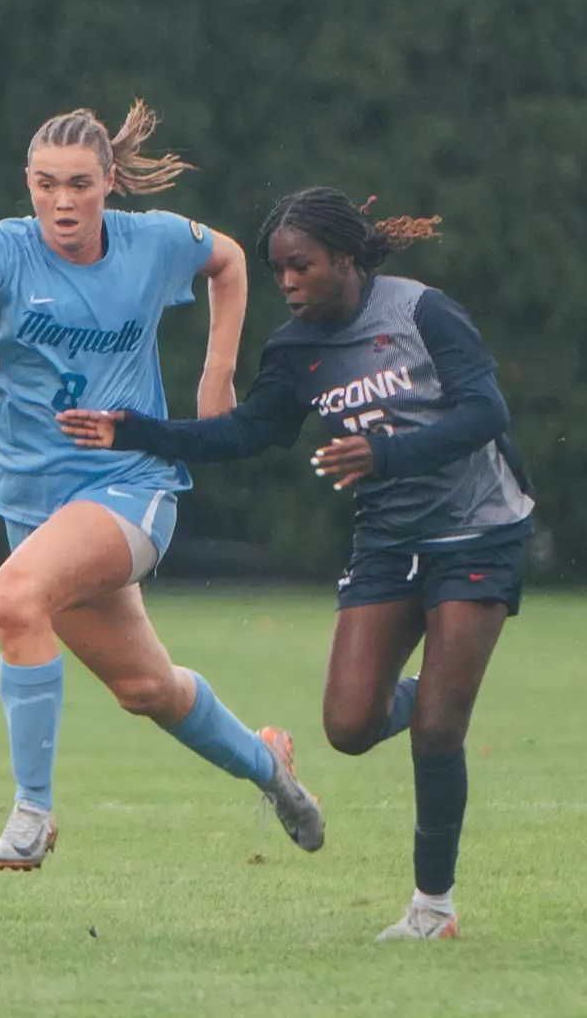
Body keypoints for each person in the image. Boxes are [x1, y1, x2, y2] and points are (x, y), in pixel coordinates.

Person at [59, 187, 534, 937]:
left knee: (437, 731)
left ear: (343, 259)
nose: (285, 283)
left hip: (478, 530)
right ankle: (444, 676)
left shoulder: (421, 313)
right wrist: (136, 433)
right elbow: (247, 432)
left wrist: (384, 451)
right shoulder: (295, 349)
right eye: (276, 271)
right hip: (387, 540)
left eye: (298, 267)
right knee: (347, 726)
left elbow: (485, 413)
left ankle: (432, 908)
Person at [0, 102, 325, 871]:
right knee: (146, 689)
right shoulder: (4, 251)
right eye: (45, 184)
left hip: (129, 485)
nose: (61, 202)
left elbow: (227, 261)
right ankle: (268, 765)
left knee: (15, 596)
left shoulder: (152, 241)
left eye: (78, 185)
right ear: (27, 184)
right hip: (35, 502)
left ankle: (32, 812)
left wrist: (215, 373)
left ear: (108, 184)